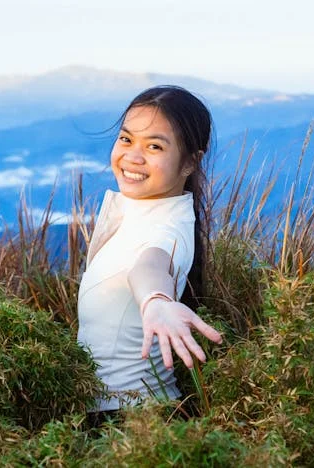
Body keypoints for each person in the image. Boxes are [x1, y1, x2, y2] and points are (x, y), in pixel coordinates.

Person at [77, 85, 223, 423]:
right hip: (117, 413)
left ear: (190, 162)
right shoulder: (147, 209)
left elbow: (150, 265)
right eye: (127, 139)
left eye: (154, 146)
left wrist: (156, 300)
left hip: (134, 422)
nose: (133, 156)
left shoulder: (167, 229)